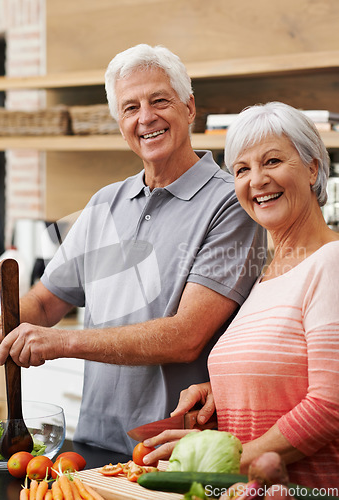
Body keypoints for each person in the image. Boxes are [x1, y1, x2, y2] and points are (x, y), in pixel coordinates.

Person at [0, 44, 265, 455]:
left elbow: (186, 337)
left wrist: (61, 344)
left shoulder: (231, 204)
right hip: (93, 441)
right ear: (120, 122)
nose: (146, 117)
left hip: (175, 449)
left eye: (159, 100)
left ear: (189, 107)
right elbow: (44, 301)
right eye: (130, 108)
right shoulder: (105, 203)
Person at [142, 102, 339, 489]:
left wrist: (223, 462)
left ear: (313, 168)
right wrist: (224, 390)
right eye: (242, 170)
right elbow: (292, 369)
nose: (258, 180)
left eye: (273, 161)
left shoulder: (331, 262)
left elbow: (329, 408)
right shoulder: (265, 277)